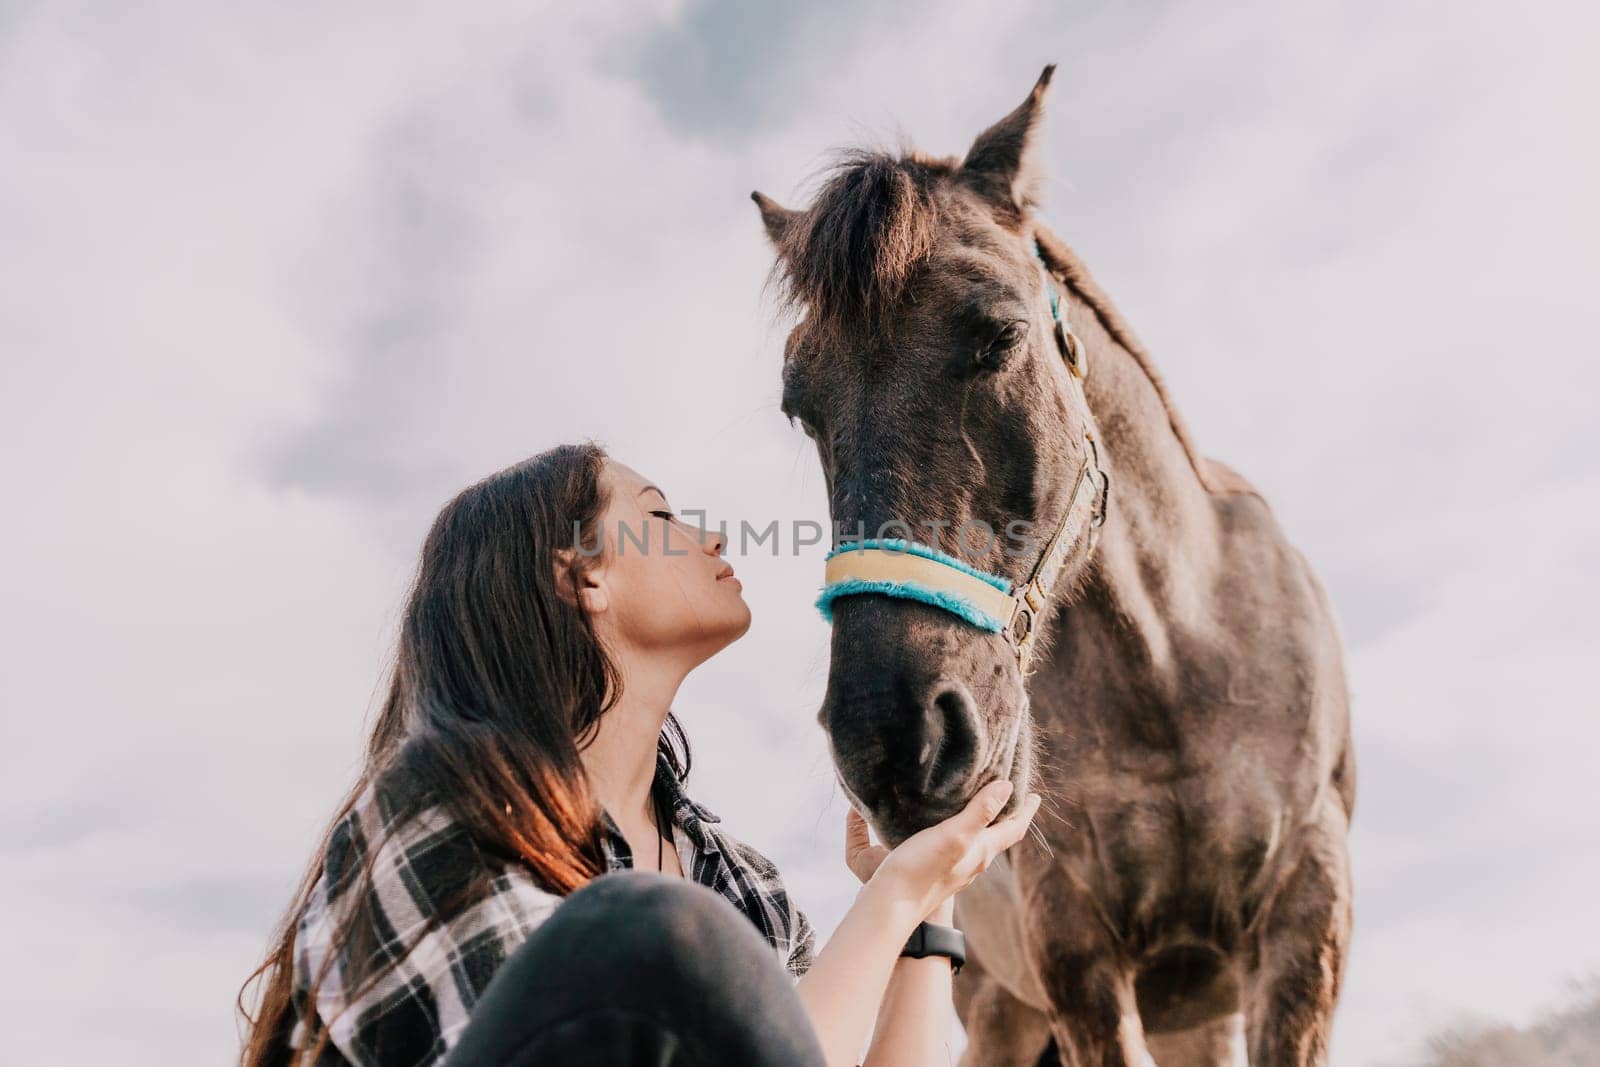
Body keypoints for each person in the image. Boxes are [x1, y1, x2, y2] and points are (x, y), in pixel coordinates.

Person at [237, 441, 1040, 1066]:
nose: (714, 535)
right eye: (660, 517)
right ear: (584, 577)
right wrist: (890, 898)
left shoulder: (737, 879)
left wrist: (928, 899)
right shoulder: (441, 816)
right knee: (649, 934)